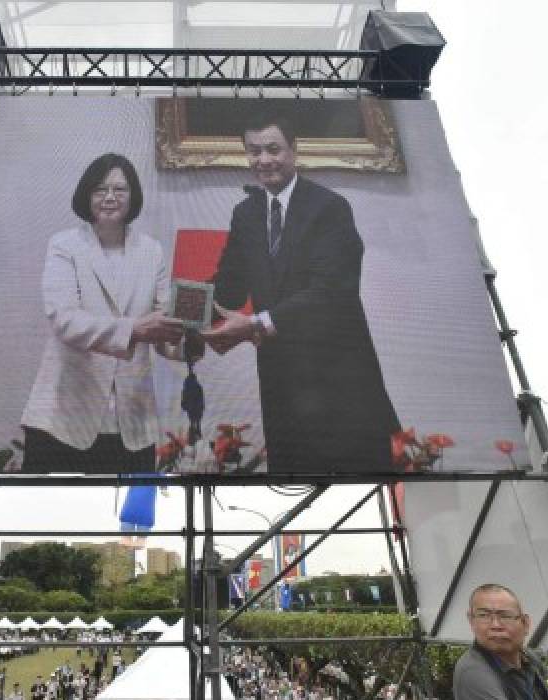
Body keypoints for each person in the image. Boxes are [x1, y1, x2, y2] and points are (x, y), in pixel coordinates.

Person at [201, 114, 400, 474]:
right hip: (283, 385)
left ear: (294, 150)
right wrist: (181, 315)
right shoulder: (245, 214)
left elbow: (330, 292)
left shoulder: (329, 207)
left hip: (340, 381)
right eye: (254, 151)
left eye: (274, 149)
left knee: (364, 473)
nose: (264, 160)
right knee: (295, 470)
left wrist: (254, 325)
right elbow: (228, 286)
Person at [20, 152, 186, 474]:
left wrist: (189, 341)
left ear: (133, 196)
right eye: (100, 189)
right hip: (63, 417)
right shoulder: (64, 245)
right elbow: (64, 320)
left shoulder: (151, 251)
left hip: (132, 425)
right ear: (87, 196)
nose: (110, 197)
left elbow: (163, 326)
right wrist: (135, 329)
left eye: (119, 189)